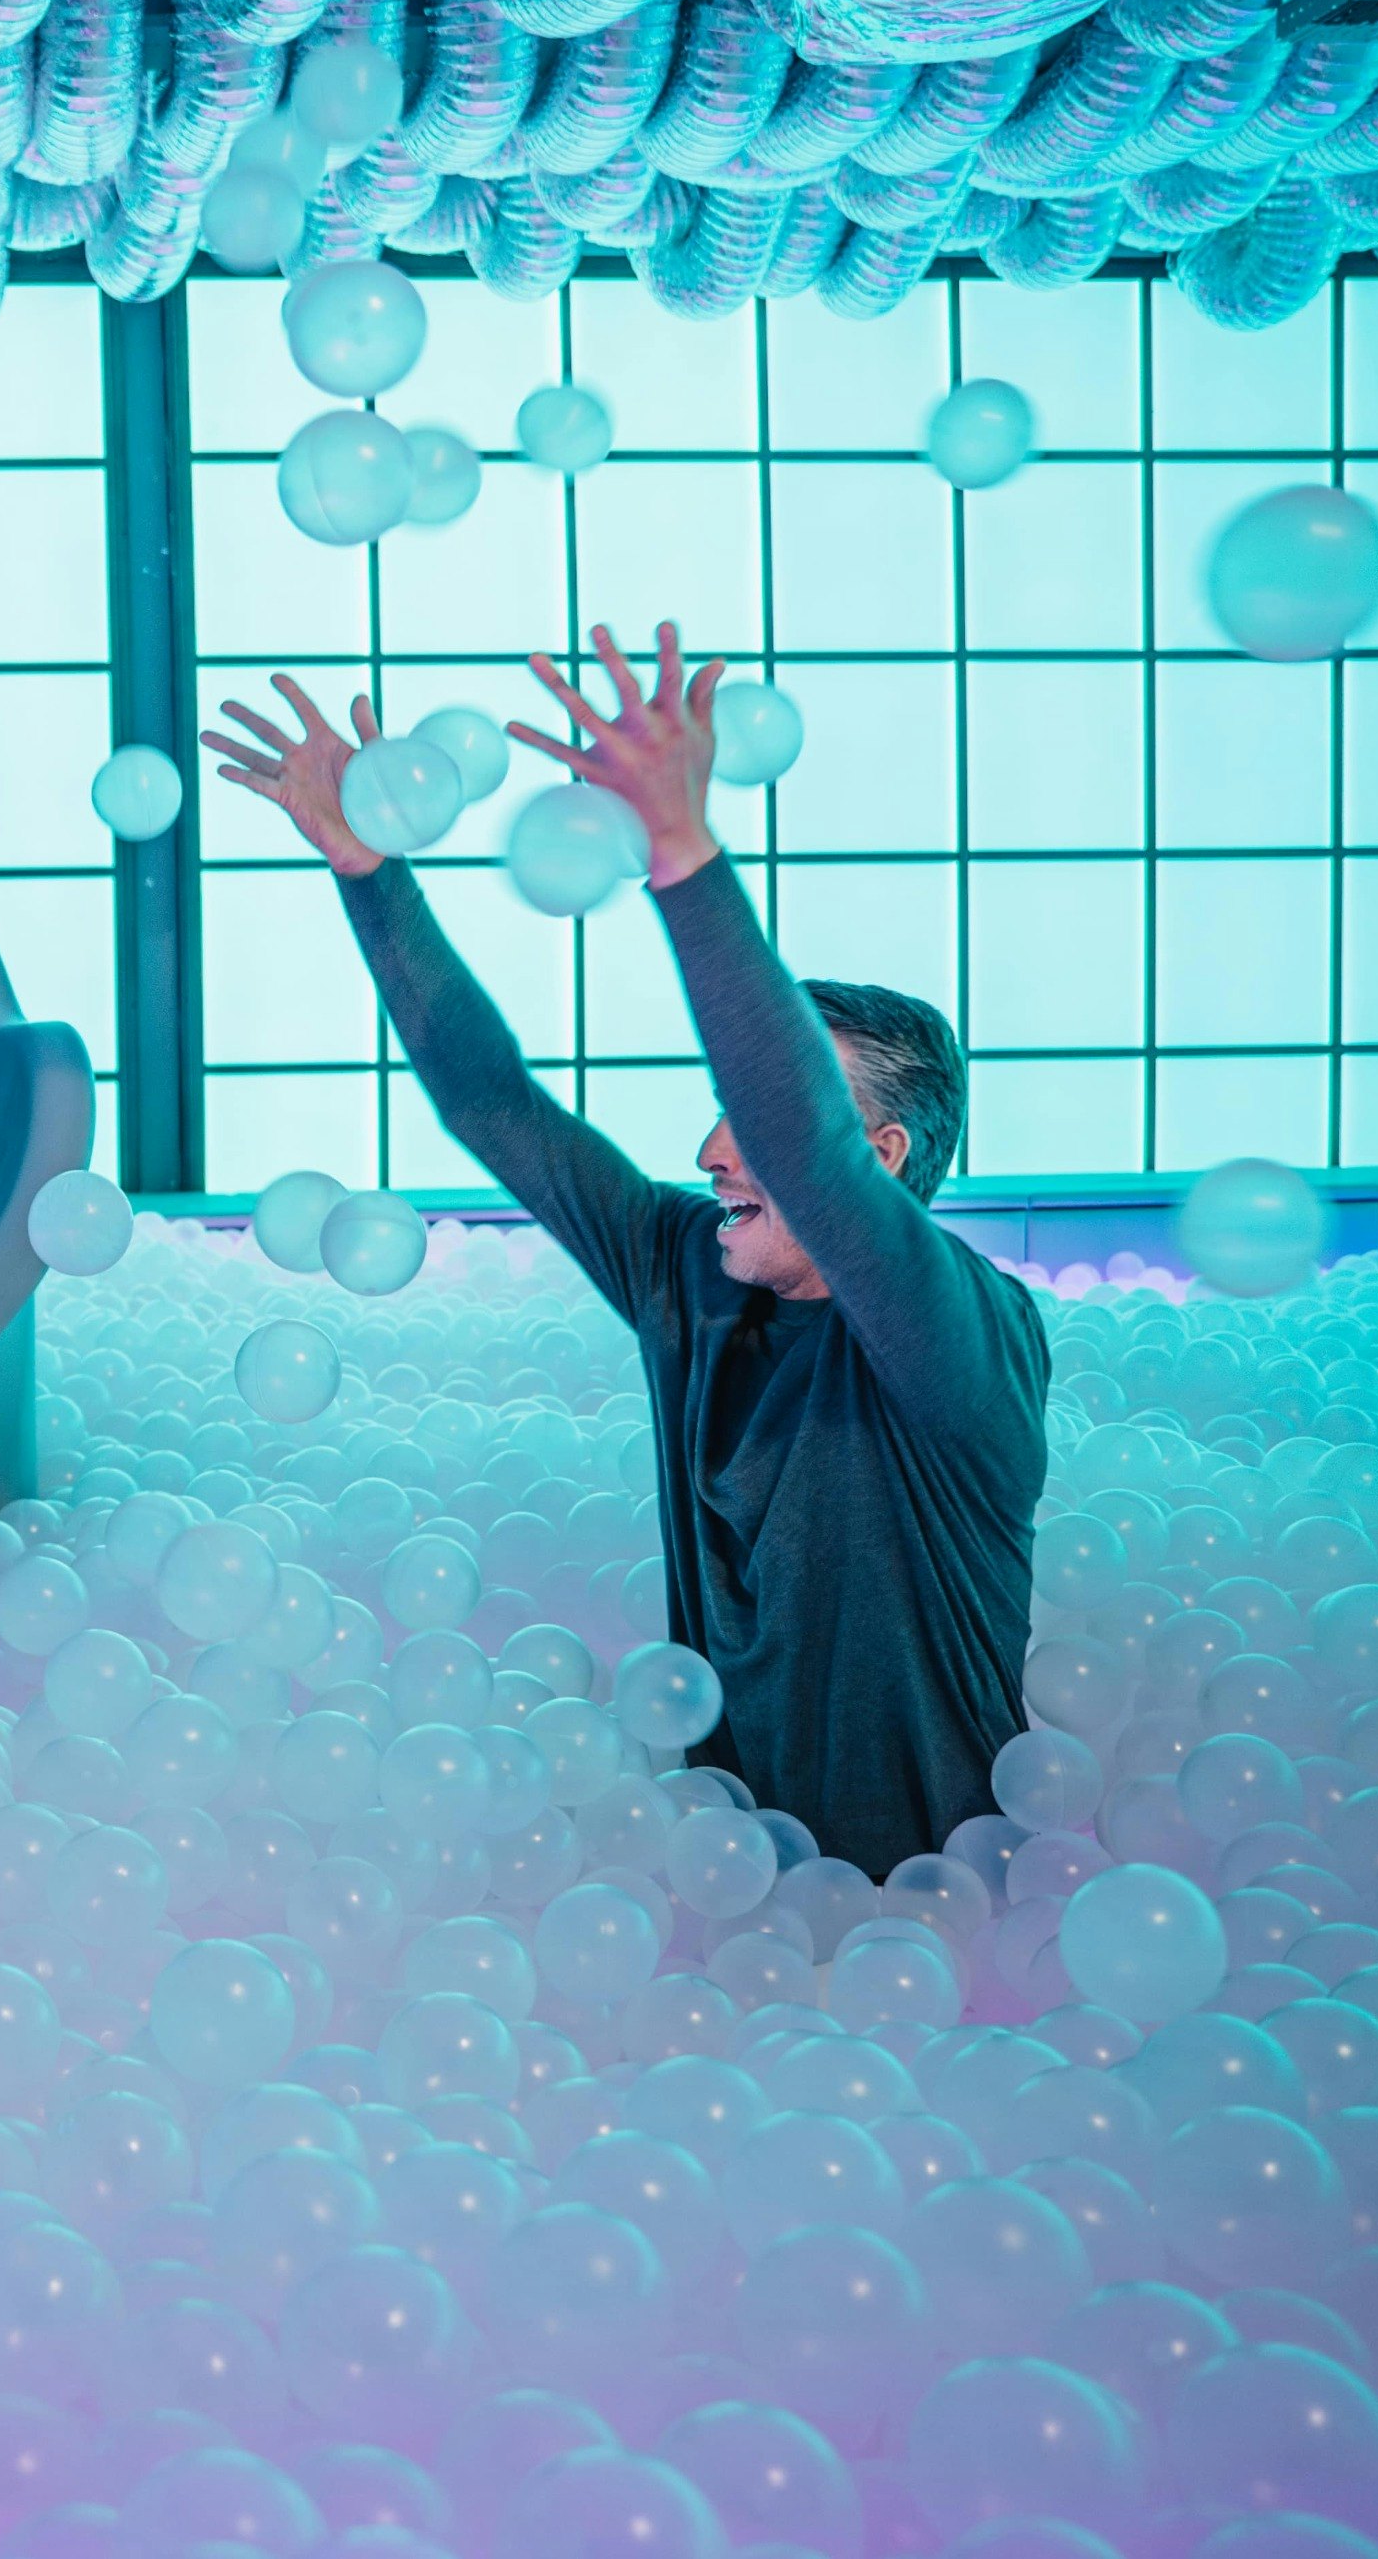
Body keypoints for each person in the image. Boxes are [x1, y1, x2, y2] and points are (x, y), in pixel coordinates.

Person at [205, 624, 1045, 1877]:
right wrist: (368, 870)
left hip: (936, 1911)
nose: (711, 1150)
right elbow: (493, 1102)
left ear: (880, 1154)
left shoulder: (962, 1333)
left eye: (752, 1118)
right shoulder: (688, 1273)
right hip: (732, 1893)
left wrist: (682, 853)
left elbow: (799, 1140)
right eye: (722, 1115)